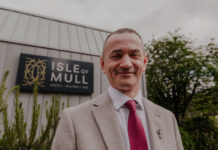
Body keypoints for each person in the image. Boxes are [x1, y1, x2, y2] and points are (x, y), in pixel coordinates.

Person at [51, 28, 184, 150]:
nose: (126, 64)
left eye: (134, 55)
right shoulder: (73, 119)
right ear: (103, 65)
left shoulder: (168, 119)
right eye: (116, 56)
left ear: (144, 62)